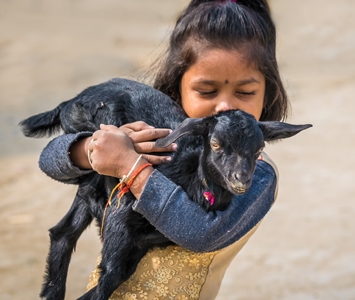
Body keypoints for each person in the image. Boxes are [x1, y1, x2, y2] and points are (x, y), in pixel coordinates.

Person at [39, 0, 290, 299]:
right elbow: (48, 160)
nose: (225, 106)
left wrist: (130, 168)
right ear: (176, 87)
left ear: (268, 92)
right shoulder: (160, 135)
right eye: (207, 91)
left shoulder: (257, 173)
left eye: (246, 92)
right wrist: (94, 149)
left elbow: (201, 233)